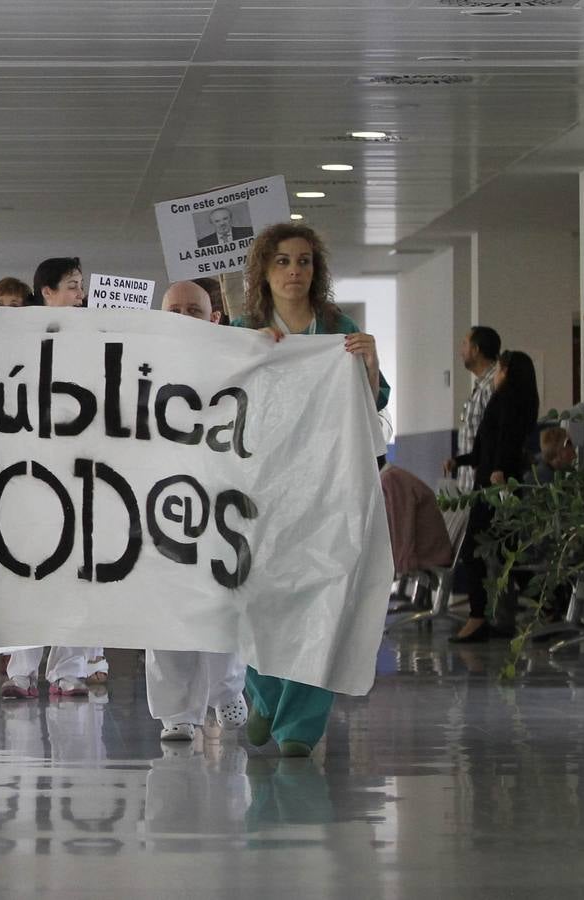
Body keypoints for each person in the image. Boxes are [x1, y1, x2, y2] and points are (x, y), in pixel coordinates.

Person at [230, 222, 387, 758]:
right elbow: (214, 398)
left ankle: (300, 724)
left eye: (303, 261)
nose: (294, 272)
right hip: (260, 492)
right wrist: (249, 353)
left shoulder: (338, 329)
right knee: (261, 599)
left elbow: (372, 405)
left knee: (325, 596)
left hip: (328, 489)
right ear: (264, 271)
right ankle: (265, 694)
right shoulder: (242, 329)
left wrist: (370, 363)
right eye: (282, 261)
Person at [143, 277, 245, 742]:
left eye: (194, 311)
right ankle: (177, 712)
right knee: (166, 606)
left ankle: (227, 692)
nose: (183, 319)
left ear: (215, 319)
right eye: (174, 310)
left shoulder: (236, 363)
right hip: (155, 500)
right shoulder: (136, 366)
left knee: (222, 597)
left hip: (221, 498)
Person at [4, 256, 108, 696]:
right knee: (28, 567)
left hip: (82, 466)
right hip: (29, 469)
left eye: (81, 285)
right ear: (45, 291)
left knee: (78, 569)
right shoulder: (15, 339)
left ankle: (70, 668)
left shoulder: (95, 337)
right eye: (71, 285)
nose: (80, 294)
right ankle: (21, 668)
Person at [449, 350, 540, 644]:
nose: (496, 376)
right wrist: (460, 461)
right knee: (507, 551)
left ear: (507, 371)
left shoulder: (509, 401)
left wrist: (498, 470)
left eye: (500, 370)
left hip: (494, 486)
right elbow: (484, 446)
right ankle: (550, 604)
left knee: (475, 549)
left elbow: (505, 442)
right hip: (488, 482)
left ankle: (478, 617)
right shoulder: (504, 400)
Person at [446, 326, 502, 490]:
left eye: (465, 344)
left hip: (483, 485)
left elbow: (495, 435)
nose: (461, 350)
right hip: (470, 483)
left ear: (476, 349)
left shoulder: (492, 385)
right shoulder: (480, 385)